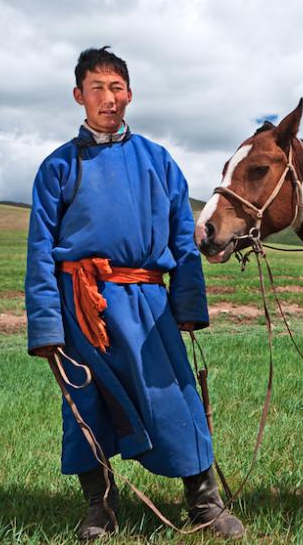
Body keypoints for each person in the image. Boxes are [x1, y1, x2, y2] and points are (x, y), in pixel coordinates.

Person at [24, 46, 244, 541]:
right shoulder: (58, 167)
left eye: (117, 87)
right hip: (83, 307)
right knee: (87, 404)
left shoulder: (158, 161)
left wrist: (188, 305)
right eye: (97, 88)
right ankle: (100, 510)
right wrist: (46, 326)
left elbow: (183, 238)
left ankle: (204, 504)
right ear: (78, 95)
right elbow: (40, 249)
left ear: (130, 94)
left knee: (176, 399)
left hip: (148, 305)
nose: (108, 98)